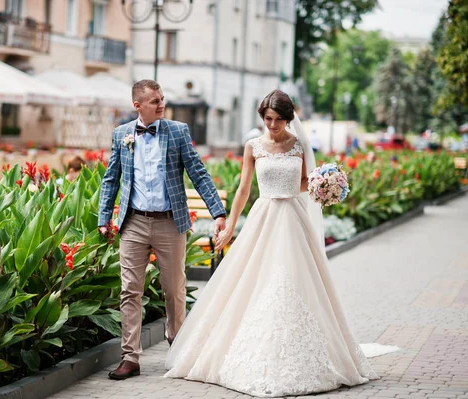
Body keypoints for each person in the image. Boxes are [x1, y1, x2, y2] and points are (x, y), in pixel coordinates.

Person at [164, 90, 381, 397]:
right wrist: (229, 225)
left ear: (289, 119)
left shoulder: (299, 145)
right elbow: (242, 189)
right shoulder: (253, 146)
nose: (273, 124)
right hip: (263, 217)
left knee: (296, 280)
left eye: (279, 119)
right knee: (252, 281)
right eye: (268, 119)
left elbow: (305, 181)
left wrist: (324, 185)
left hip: (293, 219)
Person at [98, 79, 226, 380]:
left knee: (173, 289)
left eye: (162, 98)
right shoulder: (122, 135)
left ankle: (177, 347)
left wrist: (218, 212)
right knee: (130, 290)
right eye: (154, 100)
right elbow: (111, 178)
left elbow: (198, 172)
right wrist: (104, 217)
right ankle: (130, 357)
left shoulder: (178, 132)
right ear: (137, 105)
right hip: (133, 222)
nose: (161, 104)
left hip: (171, 222)